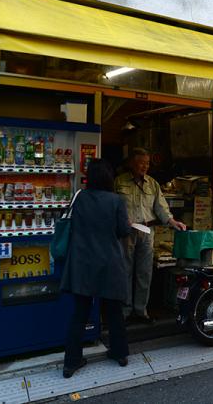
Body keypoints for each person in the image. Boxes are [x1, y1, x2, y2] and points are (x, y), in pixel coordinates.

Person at [60, 159, 131, 379]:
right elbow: (123, 230)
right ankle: (120, 354)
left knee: (80, 313)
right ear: (108, 177)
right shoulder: (116, 200)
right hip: (109, 262)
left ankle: (71, 363)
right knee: (114, 312)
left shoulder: (79, 198)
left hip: (82, 263)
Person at [114, 148, 186, 323]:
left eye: (147, 163)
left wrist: (172, 221)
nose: (144, 166)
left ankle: (141, 310)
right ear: (131, 163)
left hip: (147, 231)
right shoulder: (119, 182)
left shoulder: (152, 184)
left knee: (144, 272)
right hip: (126, 232)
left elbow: (161, 207)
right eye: (141, 162)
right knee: (125, 271)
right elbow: (112, 206)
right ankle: (125, 310)